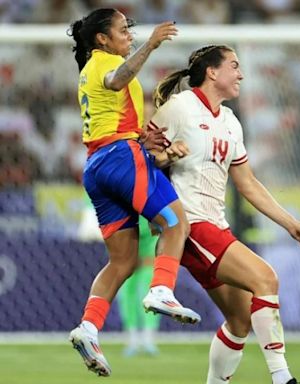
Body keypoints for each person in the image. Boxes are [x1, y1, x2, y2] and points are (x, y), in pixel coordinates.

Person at [148, 45, 300, 384]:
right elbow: (142, 155)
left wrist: (292, 224)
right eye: (234, 66)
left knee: (240, 321)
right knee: (265, 278)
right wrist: (166, 156)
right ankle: (282, 377)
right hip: (189, 224)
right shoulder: (180, 107)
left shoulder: (230, 121)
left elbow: (248, 184)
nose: (241, 74)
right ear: (212, 72)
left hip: (216, 226)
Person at [67, 8, 200, 377]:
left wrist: (144, 137)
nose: (130, 35)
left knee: (122, 261)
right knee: (175, 223)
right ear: (102, 39)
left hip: (97, 165)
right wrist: (152, 46)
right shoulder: (103, 62)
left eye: (131, 30)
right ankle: (161, 289)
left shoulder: (90, 68)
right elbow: (114, 81)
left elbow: (111, 112)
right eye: (123, 30)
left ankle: (89, 327)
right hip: (119, 155)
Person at [117, 216, 161, 357]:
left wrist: (152, 255)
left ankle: (149, 338)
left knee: (152, 292)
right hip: (126, 253)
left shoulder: (148, 207)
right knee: (127, 295)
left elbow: (157, 231)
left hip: (149, 253)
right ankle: (132, 339)